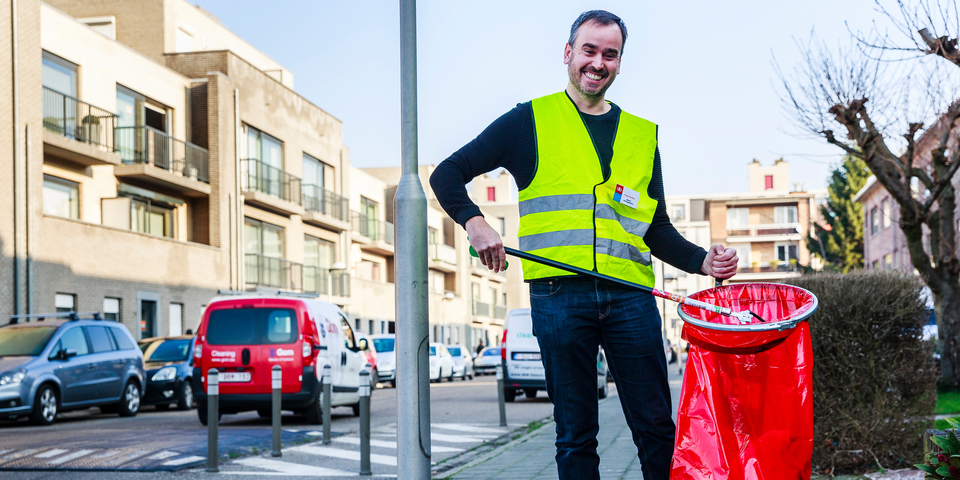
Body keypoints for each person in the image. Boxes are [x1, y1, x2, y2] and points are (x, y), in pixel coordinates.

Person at [429, 10, 738, 480]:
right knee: (575, 436)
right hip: (558, 297)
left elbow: (653, 228)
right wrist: (475, 222)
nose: (598, 62)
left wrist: (703, 261)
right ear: (568, 54)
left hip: (631, 297)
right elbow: (446, 173)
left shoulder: (642, 135)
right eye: (589, 50)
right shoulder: (527, 121)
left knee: (656, 428)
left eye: (609, 54)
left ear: (619, 63)